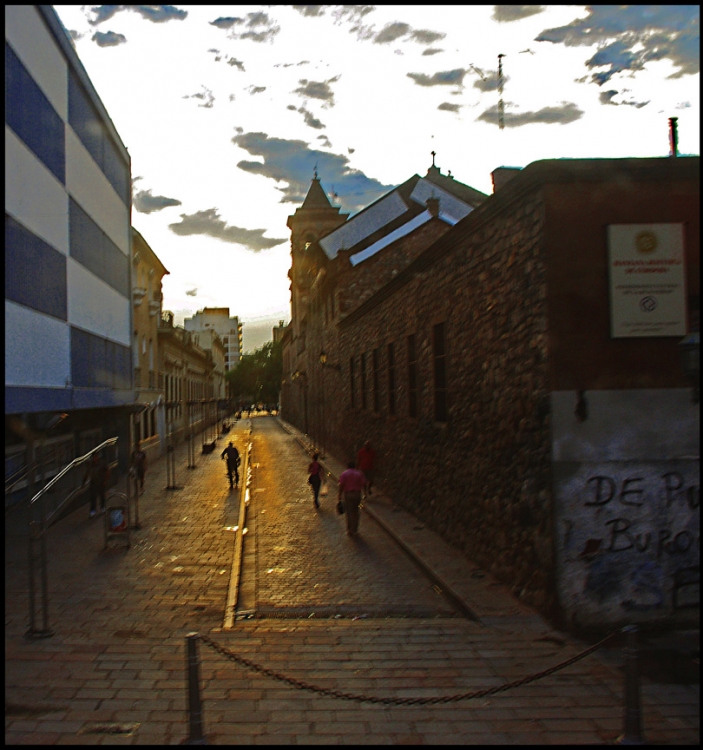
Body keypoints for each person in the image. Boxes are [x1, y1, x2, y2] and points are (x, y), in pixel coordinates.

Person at [338, 461, 367, 536]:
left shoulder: (344, 474)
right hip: (357, 494)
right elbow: (364, 483)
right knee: (356, 511)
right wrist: (365, 493)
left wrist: (339, 495)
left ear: (347, 466)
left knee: (349, 512)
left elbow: (341, 485)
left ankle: (350, 529)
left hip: (348, 494)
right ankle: (355, 529)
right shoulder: (359, 473)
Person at [85, 452, 109, 518]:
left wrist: (105, 480)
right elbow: (87, 473)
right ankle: (93, 510)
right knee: (93, 497)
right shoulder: (91, 465)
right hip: (93, 482)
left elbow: (107, 471)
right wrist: (84, 482)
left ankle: (103, 507)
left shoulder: (101, 464)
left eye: (96, 457)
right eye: (94, 457)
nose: (95, 458)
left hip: (101, 481)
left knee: (102, 495)